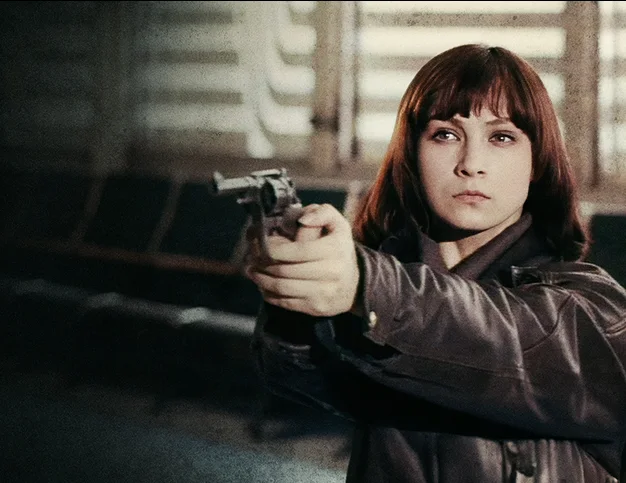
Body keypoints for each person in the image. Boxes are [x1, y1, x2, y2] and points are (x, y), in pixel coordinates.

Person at [244, 43, 626, 482]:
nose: (471, 164)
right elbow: (308, 380)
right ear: (412, 152)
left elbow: (502, 337)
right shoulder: (380, 293)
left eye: (501, 137)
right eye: (445, 134)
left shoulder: (595, 309)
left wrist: (365, 285)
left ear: (536, 161)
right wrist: (298, 298)